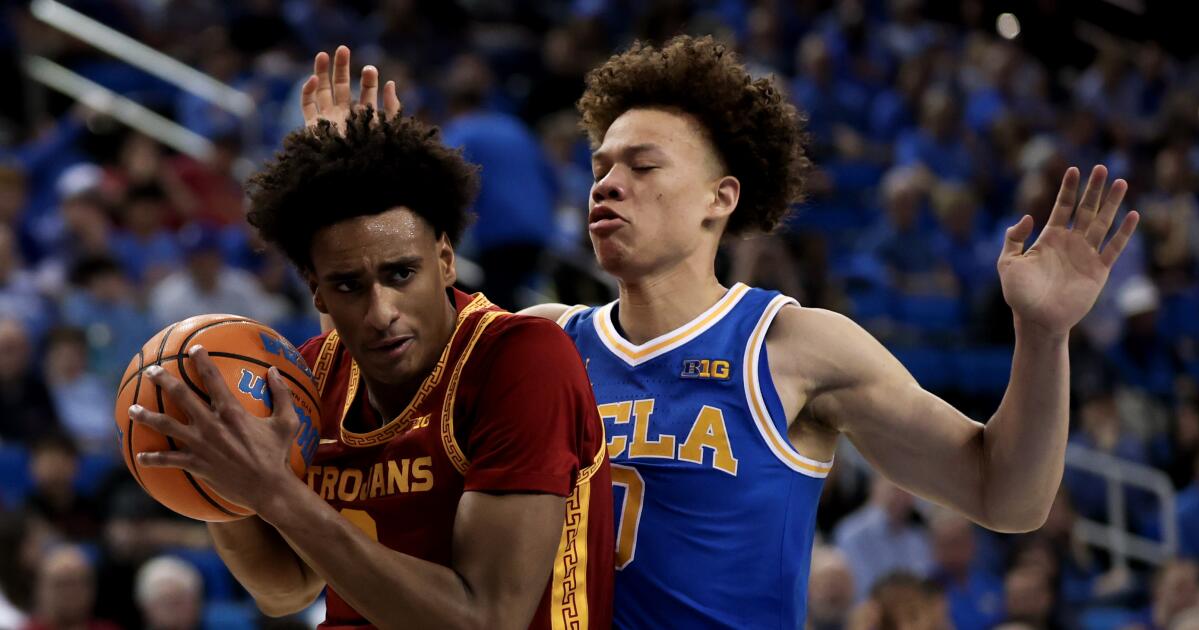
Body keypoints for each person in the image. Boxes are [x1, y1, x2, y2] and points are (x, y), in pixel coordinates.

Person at [306, 34, 1138, 627]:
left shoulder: (794, 347)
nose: (608, 184)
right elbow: (377, 361)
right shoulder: (538, 339)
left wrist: (1041, 334)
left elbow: (1008, 496)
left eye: (641, 166)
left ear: (721, 198)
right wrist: (347, 195)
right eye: (599, 167)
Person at [129, 108, 613, 628]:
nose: (381, 313)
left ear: (446, 260)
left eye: (401, 273)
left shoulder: (521, 358)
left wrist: (275, 491)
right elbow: (284, 589)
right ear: (315, 288)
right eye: (347, 285)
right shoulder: (307, 377)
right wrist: (218, 481)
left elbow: (488, 619)